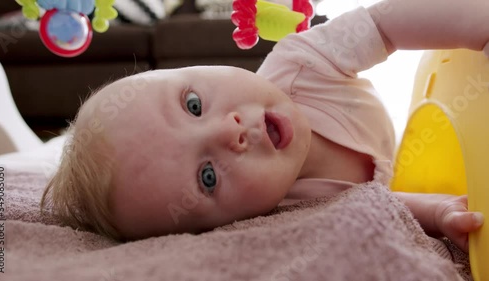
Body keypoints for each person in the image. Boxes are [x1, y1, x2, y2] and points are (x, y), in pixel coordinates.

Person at [41, 0, 487, 252]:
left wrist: (478, 29)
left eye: (193, 104)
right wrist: (438, 212)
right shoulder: (285, 208)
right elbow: (382, 201)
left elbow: (387, 24)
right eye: (207, 176)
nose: (227, 132)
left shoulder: (303, 63)